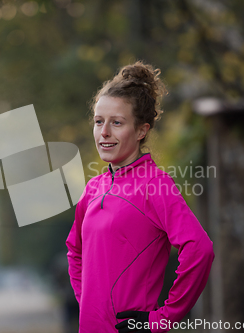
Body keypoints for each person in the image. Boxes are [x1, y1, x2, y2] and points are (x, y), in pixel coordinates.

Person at [66, 60, 214, 333]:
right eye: (99, 122)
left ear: (142, 130)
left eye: (117, 123)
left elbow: (200, 249)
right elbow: (74, 251)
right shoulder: (92, 189)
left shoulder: (155, 185)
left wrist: (163, 319)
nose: (104, 132)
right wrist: (87, 302)